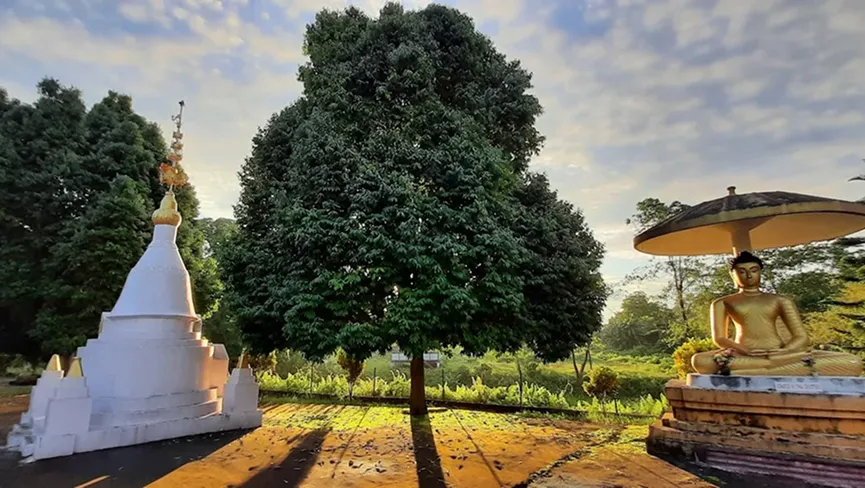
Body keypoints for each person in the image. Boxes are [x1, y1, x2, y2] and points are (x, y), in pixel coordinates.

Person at [691, 251, 862, 376]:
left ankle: (758, 370)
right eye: (742, 271)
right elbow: (719, 338)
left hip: (782, 353)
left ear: (760, 272)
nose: (749, 275)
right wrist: (744, 350)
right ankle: (772, 369)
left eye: (753, 270)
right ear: (732, 275)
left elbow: (802, 337)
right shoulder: (723, 302)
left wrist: (783, 352)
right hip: (744, 354)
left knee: (853, 363)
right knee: (699, 361)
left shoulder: (780, 300)